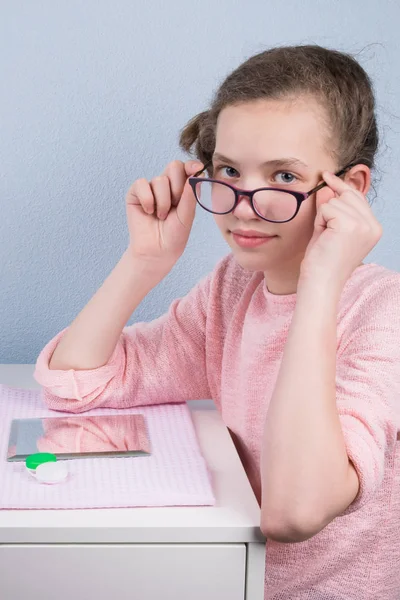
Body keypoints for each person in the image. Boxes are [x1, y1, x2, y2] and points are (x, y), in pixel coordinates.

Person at [34, 45, 400, 599]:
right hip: (227, 580)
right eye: (229, 170)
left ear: (350, 189)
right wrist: (144, 262)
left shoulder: (383, 312)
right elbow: (77, 384)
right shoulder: (233, 290)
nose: (244, 205)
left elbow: (295, 512)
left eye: (281, 175)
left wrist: (321, 285)